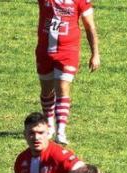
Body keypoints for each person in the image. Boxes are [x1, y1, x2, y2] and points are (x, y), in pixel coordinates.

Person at [35, 0, 100, 145]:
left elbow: (90, 27)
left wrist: (95, 54)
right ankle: (49, 125)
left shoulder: (80, 1)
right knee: (46, 91)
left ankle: (61, 131)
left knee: (63, 89)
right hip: (44, 51)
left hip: (68, 52)